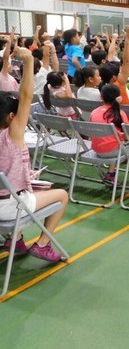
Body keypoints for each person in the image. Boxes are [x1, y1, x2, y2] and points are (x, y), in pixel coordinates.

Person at [0, 46, 67, 262]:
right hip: (8, 207)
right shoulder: (11, 134)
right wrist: (28, 62)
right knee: (62, 195)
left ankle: (15, 239)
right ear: (12, 116)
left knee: (32, 186)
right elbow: (26, 96)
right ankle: (43, 244)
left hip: (6, 196)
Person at [89, 84, 129, 183]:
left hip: (97, 149)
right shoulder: (120, 113)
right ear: (118, 97)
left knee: (113, 142)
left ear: (101, 97)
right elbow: (127, 136)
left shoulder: (94, 112)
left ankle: (111, 174)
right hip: (114, 151)